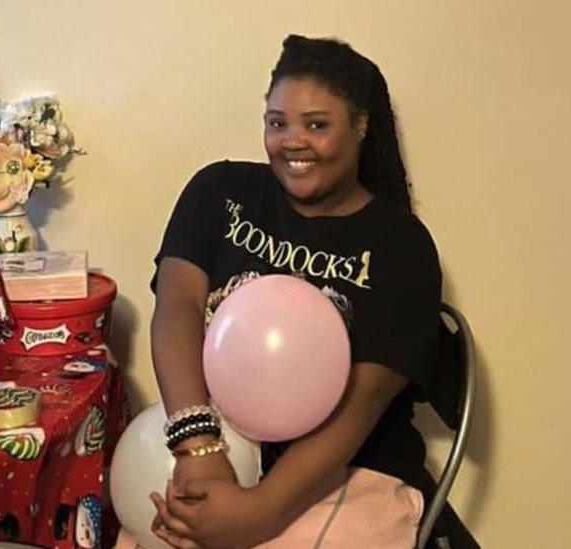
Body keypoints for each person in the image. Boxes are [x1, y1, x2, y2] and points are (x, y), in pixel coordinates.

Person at [139, 34, 457, 548]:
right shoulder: (218, 192)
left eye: (317, 124)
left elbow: (362, 400)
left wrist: (260, 514)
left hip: (349, 469)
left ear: (360, 126)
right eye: (277, 122)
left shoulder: (402, 245)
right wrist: (198, 446)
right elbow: (177, 304)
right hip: (215, 443)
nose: (292, 141)